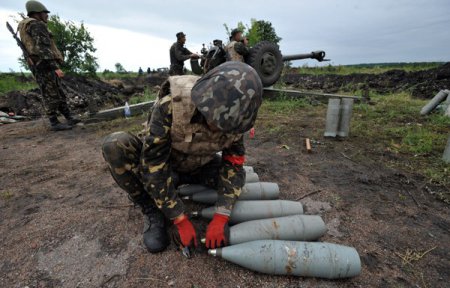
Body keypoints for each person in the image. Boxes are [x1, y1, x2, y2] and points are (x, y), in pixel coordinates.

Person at [102, 62, 262, 254]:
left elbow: (234, 164)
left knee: (236, 179)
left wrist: (221, 216)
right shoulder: (172, 106)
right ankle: (152, 208)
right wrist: (179, 218)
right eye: (216, 121)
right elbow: (154, 165)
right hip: (166, 163)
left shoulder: (236, 120)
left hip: (199, 164)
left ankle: (174, 186)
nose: (219, 130)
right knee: (115, 145)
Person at [18, 0, 80, 131]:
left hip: (38, 65)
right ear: (37, 13)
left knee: (57, 92)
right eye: (44, 13)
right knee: (51, 94)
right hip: (44, 65)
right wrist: (55, 67)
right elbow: (44, 49)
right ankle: (54, 123)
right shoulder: (36, 25)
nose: (47, 15)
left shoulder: (26, 25)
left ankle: (69, 117)